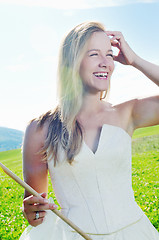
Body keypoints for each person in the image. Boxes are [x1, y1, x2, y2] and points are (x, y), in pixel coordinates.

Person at [20, 21, 159, 240]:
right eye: (94, 54)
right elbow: (35, 206)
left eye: (110, 55)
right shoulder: (40, 129)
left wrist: (135, 61)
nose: (106, 63)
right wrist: (33, 210)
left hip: (134, 232)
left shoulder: (128, 113)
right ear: (73, 61)